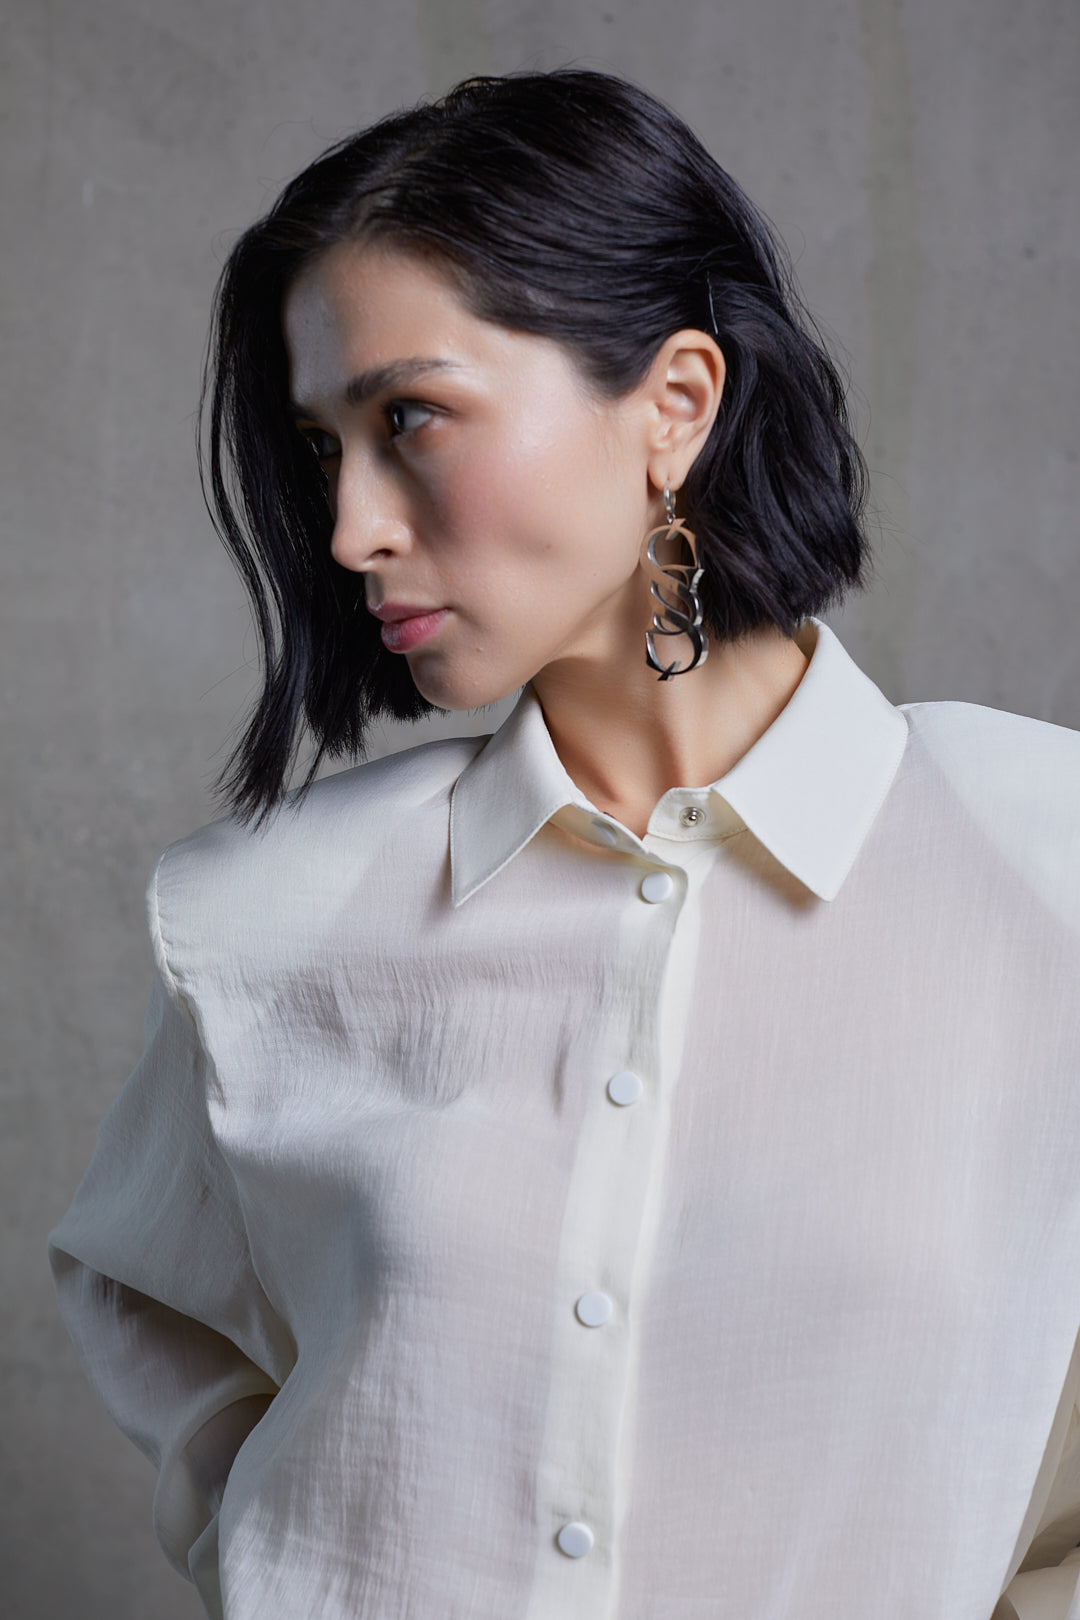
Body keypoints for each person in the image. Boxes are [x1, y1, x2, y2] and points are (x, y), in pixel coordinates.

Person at [49, 69, 1080, 1620]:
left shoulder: (1044, 866)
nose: (348, 531)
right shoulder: (269, 922)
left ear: (674, 403)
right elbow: (166, 1331)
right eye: (325, 445)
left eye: (411, 419)